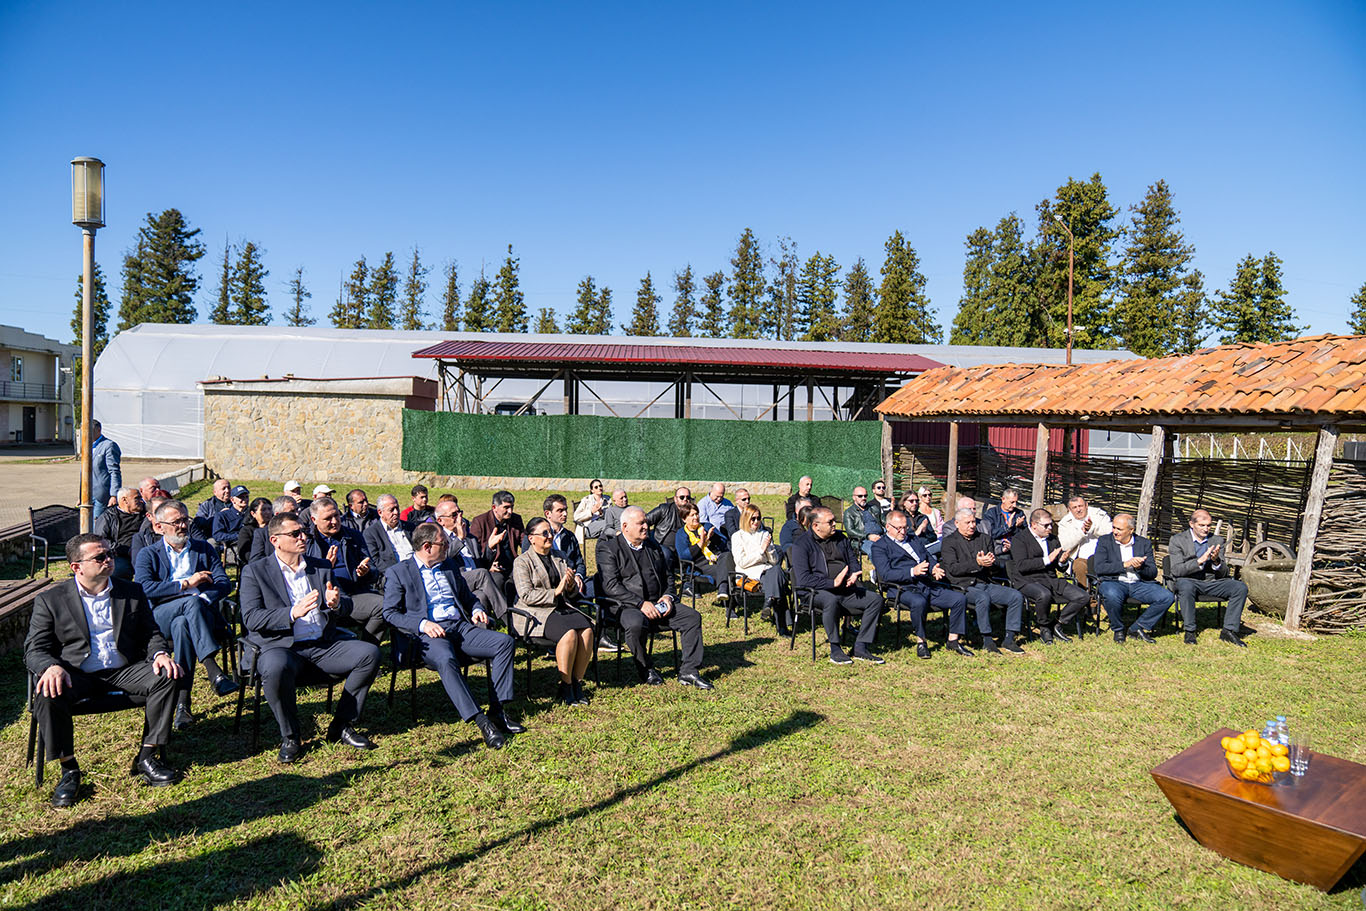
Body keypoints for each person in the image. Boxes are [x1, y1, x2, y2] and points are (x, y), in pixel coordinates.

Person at [26, 533, 183, 806]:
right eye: (100, 557)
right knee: (48, 692)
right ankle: (69, 769)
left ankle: (147, 756)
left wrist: (159, 653)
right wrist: (50, 666)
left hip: (124, 668)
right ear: (77, 566)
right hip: (77, 673)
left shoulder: (130, 591)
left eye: (109, 554)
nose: (109, 560)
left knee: (169, 675)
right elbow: (35, 648)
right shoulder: (51, 600)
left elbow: (151, 632)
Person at [239, 512, 381, 763]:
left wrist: (337, 604)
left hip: (322, 645)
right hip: (281, 647)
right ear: (275, 540)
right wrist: (291, 613)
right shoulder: (256, 571)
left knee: (368, 654)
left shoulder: (321, 566)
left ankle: (342, 725)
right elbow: (251, 618)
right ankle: (291, 736)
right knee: (274, 665)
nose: (303, 537)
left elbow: (344, 605)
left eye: (303, 531)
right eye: (295, 534)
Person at [381, 522, 524, 748]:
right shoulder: (399, 572)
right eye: (444, 543)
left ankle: (498, 710)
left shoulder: (447, 565)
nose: (448, 546)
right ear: (427, 547)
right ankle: (482, 722)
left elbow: (468, 597)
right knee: (446, 659)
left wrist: (477, 609)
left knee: (504, 643)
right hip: (427, 635)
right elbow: (389, 613)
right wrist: (421, 623)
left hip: (459, 626)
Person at [133, 500, 238, 728]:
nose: (182, 526)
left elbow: (223, 583)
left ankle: (182, 704)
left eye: (185, 520)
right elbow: (143, 588)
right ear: (159, 527)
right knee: (186, 607)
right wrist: (185, 584)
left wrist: (202, 598)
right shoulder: (148, 554)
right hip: (162, 614)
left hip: (199, 613)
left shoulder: (203, 548)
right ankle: (213, 669)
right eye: (176, 522)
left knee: (184, 624)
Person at [596, 506, 713, 689]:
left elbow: (668, 577)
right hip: (626, 605)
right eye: (641, 523)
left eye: (646, 522)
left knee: (692, 617)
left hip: (658, 603)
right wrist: (640, 604)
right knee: (635, 624)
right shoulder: (609, 548)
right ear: (625, 526)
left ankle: (689, 671)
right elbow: (610, 586)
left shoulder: (653, 545)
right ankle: (646, 669)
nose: (646, 526)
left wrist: (668, 596)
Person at [513, 517, 595, 707]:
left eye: (550, 532)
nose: (549, 536)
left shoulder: (560, 556)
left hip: (560, 607)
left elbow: (571, 594)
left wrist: (571, 585)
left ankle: (577, 682)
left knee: (588, 630)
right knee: (569, 635)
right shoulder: (522, 562)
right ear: (531, 538)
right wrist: (555, 592)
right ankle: (565, 686)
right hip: (535, 613)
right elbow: (526, 595)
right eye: (544, 533)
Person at [790, 507, 884, 665]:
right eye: (830, 522)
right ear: (816, 526)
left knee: (875, 600)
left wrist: (854, 574)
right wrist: (832, 583)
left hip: (844, 589)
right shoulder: (802, 544)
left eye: (834, 520)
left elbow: (853, 560)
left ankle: (860, 647)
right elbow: (804, 580)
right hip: (815, 593)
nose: (835, 524)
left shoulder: (841, 538)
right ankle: (835, 649)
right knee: (830, 600)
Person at [872, 510, 971, 659]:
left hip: (926, 584)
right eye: (899, 528)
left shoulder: (912, 539)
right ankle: (921, 642)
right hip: (901, 588)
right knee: (919, 601)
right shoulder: (880, 546)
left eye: (905, 527)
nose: (903, 531)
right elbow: (886, 574)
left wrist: (933, 568)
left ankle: (953, 640)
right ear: (888, 526)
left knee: (959, 599)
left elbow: (927, 557)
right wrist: (912, 571)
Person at [939, 506, 1026, 654]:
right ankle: (987, 639)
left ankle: (1009, 639)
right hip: (963, 586)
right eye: (967, 523)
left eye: (973, 522)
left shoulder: (984, 538)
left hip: (985, 582)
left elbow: (994, 566)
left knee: (1015, 596)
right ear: (957, 523)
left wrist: (991, 563)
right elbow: (952, 569)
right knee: (982, 598)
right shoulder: (949, 542)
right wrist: (977, 563)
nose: (972, 525)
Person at [306, 497, 384, 644]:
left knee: (383, 605)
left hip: (354, 595)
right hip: (323, 599)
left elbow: (373, 569)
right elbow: (306, 576)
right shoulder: (307, 541)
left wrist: (366, 572)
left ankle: (367, 648)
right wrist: (327, 566)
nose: (334, 521)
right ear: (314, 519)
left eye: (336, 515)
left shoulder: (352, 536)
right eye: (328, 518)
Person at [1167, 509, 1249, 647]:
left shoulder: (1216, 540)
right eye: (1202, 525)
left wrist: (1216, 561)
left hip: (1211, 582)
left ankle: (1229, 631)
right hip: (1188, 580)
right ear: (1191, 524)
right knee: (1185, 586)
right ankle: (1190, 630)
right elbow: (1176, 570)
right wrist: (1199, 562)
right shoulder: (1178, 540)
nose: (1206, 529)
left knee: (1239, 587)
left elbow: (1223, 573)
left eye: (1208, 525)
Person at [1007, 509, 1089, 645]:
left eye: (1051, 524)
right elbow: (1021, 566)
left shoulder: (1052, 539)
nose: (1050, 528)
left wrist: (1062, 561)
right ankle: (1044, 627)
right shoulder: (1019, 539)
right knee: (1044, 595)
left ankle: (1057, 624)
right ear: (1034, 525)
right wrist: (1047, 559)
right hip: (1028, 580)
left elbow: (1058, 566)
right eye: (1046, 525)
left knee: (1082, 597)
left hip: (1050, 579)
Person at [1094, 513, 1173, 644]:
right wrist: (1124, 565)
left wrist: (1139, 567)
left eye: (1119, 529)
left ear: (1131, 530)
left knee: (1166, 597)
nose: (1115, 531)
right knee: (1111, 594)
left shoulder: (1144, 543)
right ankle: (1118, 629)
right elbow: (1099, 568)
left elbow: (1152, 572)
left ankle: (1137, 628)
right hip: (1114, 581)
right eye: (1114, 527)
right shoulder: (1105, 541)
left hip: (1139, 583)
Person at [433, 497, 509, 621]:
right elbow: (443, 559)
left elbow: (482, 564)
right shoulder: (439, 538)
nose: (459, 517)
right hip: (456, 580)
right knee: (482, 574)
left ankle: (482, 631)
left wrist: (490, 547)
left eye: (459, 513)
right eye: (453, 515)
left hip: (476, 581)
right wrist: (459, 539)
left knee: (481, 596)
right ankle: (508, 619)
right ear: (441, 520)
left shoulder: (470, 538)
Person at [730, 503, 788, 630]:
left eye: (758, 518)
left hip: (767, 570)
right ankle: (782, 626)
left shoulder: (764, 534)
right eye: (753, 518)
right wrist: (761, 551)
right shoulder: (737, 536)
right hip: (748, 573)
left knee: (777, 570)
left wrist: (769, 550)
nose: (756, 521)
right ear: (746, 519)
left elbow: (774, 561)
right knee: (779, 581)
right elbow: (742, 562)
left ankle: (769, 601)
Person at [673, 502, 735, 600]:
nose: (696, 517)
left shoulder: (706, 526)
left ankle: (723, 591)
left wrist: (713, 538)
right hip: (698, 565)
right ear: (684, 519)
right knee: (727, 572)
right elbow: (684, 556)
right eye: (692, 515)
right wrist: (702, 540)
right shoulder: (681, 534)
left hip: (716, 559)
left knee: (727, 557)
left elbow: (724, 545)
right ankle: (729, 602)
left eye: (697, 514)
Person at [1057, 495, 1112, 590]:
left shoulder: (1100, 515)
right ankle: (1087, 597)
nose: (1078, 510)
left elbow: (1111, 534)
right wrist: (1081, 533)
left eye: (1080, 506)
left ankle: (1102, 596)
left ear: (1086, 505)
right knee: (1079, 566)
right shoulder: (1065, 523)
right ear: (1069, 509)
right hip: (1081, 559)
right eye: (1074, 507)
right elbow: (1064, 545)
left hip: (1104, 556)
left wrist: (1093, 528)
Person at [93, 486, 144, 580]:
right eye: (137, 498)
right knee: (118, 570)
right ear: (124, 500)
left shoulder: (146, 514)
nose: (141, 501)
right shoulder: (108, 517)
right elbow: (101, 539)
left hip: (144, 551)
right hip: (120, 554)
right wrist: (125, 550)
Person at [470, 491, 525, 577]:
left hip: (513, 565)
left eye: (512, 507)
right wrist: (487, 566)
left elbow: (524, 542)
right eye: (506, 507)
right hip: (492, 567)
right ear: (494, 507)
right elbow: (473, 550)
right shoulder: (480, 522)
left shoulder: (516, 519)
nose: (510, 511)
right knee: (498, 580)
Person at [364, 494, 416, 576]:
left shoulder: (410, 527)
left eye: (397, 508)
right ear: (380, 512)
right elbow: (375, 560)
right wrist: (396, 575)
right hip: (395, 575)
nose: (396, 512)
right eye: (391, 510)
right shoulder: (371, 533)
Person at [646, 487, 690, 562]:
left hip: (682, 548)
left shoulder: (691, 514)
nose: (685, 499)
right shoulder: (664, 509)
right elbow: (645, 520)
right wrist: (648, 540)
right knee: (666, 554)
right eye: (682, 497)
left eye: (688, 497)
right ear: (675, 499)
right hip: (661, 545)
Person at [89, 420, 122, 520]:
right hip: (88, 494)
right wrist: (81, 494)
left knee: (97, 523)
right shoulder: (87, 446)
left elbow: (114, 471)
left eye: (89, 430)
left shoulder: (109, 446)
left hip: (101, 495)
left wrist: (114, 495)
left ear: (98, 430)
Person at [982, 489, 1027, 557]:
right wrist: (1007, 528)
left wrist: (1019, 527)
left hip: (1015, 549)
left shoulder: (1019, 513)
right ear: (1003, 499)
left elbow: (1026, 534)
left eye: (1016, 502)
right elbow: (989, 534)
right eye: (1012, 502)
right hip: (997, 550)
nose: (1014, 505)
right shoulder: (991, 514)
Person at [842, 486, 885, 557]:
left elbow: (884, 521)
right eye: (860, 496)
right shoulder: (849, 512)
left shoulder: (874, 508)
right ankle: (882, 568)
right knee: (875, 550)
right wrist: (868, 536)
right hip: (862, 540)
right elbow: (850, 531)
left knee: (895, 546)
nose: (863, 498)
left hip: (881, 536)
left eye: (865, 496)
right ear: (854, 497)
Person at [573, 479, 609, 548]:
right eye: (596, 487)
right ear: (592, 490)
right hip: (587, 526)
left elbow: (610, 516)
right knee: (607, 524)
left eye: (600, 486)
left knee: (610, 526)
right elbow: (576, 516)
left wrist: (601, 512)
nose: (599, 488)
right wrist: (591, 512)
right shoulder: (586, 500)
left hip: (602, 525)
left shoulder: (607, 500)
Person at [237, 497, 274, 564]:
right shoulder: (247, 530)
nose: (268, 512)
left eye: (269, 509)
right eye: (263, 510)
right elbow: (244, 553)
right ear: (253, 513)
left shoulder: (275, 529)